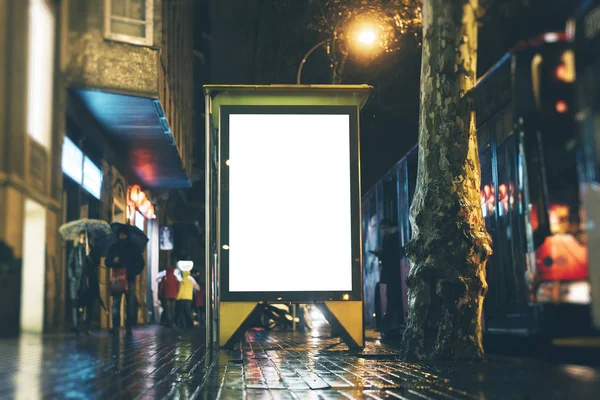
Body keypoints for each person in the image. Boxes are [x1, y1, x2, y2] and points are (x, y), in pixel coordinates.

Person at [106, 230, 145, 335]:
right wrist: (113, 261)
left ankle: (128, 327)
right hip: (118, 278)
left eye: (123, 234)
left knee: (130, 304)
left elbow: (141, 263)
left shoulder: (133, 247)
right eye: (120, 234)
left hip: (129, 279)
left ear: (127, 235)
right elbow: (107, 262)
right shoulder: (114, 247)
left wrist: (133, 271)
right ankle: (116, 327)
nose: (122, 236)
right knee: (116, 303)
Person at [372, 218, 404, 339]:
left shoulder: (395, 237)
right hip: (391, 274)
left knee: (392, 299)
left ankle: (387, 327)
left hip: (394, 273)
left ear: (389, 226)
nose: (383, 231)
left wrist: (380, 253)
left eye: (383, 228)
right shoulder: (389, 237)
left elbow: (390, 255)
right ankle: (389, 327)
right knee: (391, 299)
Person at [67, 231, 100, 335]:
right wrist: (72, 276)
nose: (83, 239)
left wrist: (89, 254)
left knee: (89, 304)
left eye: (84, 237)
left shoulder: (92, 250)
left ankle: (87, 327)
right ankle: (76, 326)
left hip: (88, 280)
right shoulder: (75, 250)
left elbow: (96, 264)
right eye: (81, 237)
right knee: (76, 303)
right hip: (77, 280)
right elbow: (70, 264)